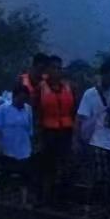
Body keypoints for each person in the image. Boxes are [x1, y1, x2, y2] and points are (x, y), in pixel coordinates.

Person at [76, 60, 110, 217]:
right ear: (103, 76)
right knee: (100, 176)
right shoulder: (90, 94)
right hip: (96, 139)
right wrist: (78, 139)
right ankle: (93, 205)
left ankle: (109, 208)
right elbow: (81, 117)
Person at [33, 61, 78, 208]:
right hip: (48, 131)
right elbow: (35, 110)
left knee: (66, 167)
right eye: (54, 68)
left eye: (59, 68)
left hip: (66, 131)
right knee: (47, 167)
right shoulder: (40, 88)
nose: (57, 71)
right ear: (48, 70)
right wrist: (38, 132)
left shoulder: (70, 87)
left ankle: (63, 199)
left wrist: (75, 131)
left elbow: (74, 110)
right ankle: (44, 198)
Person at [0, 84, 37, 206]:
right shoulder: (3, 109)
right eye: (20, 98)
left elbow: (30, 128)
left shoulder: (28, 109)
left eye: (24, 99)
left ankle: (24, 200)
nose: (22, 102)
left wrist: (32, 145)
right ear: (15, 97)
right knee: (6, 173)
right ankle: (3, 197)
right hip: (8, 147)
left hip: (24, 147)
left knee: (25, 175)